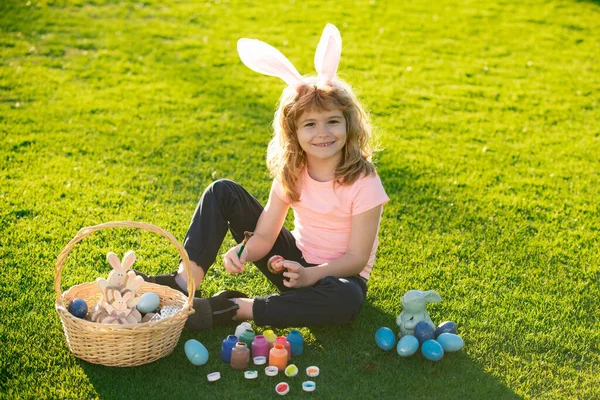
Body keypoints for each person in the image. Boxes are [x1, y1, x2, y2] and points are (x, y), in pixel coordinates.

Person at [137, 24, 389, 329]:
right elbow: (266, 236)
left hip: (337, 277)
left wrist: (311, 274)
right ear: (293, 132)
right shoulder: (292, 172)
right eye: (310, 124)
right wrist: (244, 251)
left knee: (346, 300)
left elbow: (357, 258)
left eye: (332, 121)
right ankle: (184, 282)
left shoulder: (363, 180)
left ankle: (237, 308)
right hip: (290, 262)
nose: (323, 133)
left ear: (349, 125)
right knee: (222, 191)